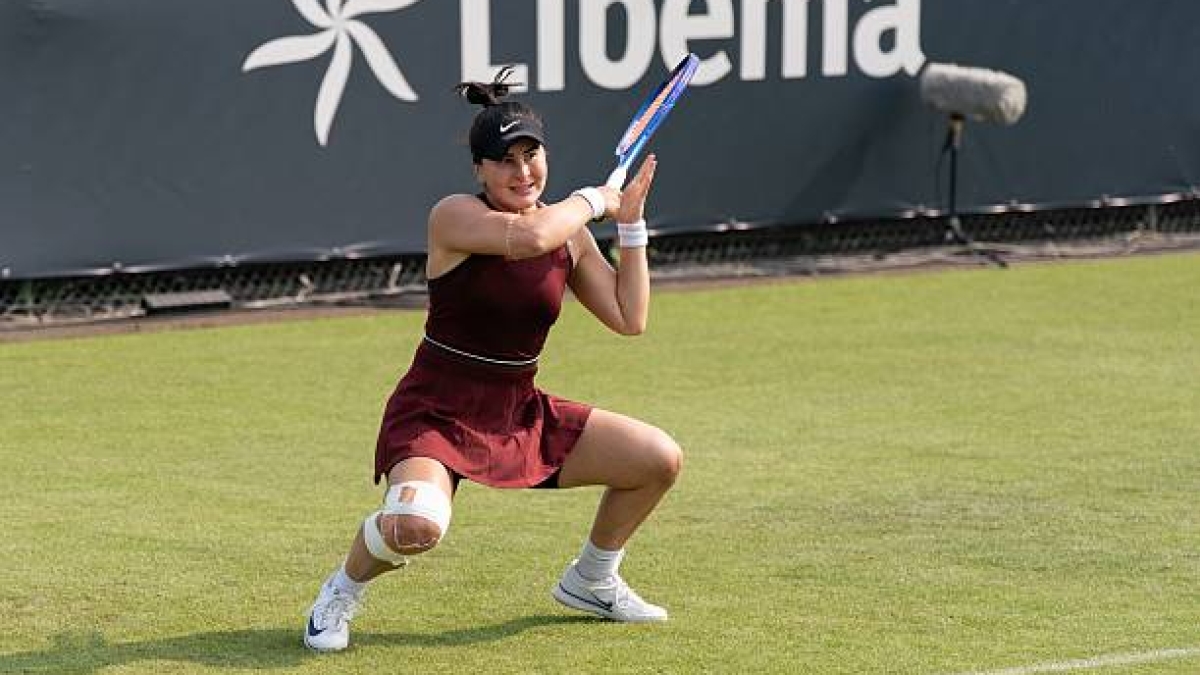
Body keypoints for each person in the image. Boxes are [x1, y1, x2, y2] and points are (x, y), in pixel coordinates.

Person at [303, 69, 684, 652]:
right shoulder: (454, 216)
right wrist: (591, 200)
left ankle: (592, 579)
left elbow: (629, 317)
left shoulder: (571, 233)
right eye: (505, 160)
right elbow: (528, 240)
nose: (522, 171)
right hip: (436, 410)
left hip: (517, 411)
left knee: (658, 459)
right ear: (479, 169)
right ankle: (340, 592)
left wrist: (629, 228)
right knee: (416, 527)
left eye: (531, 154)